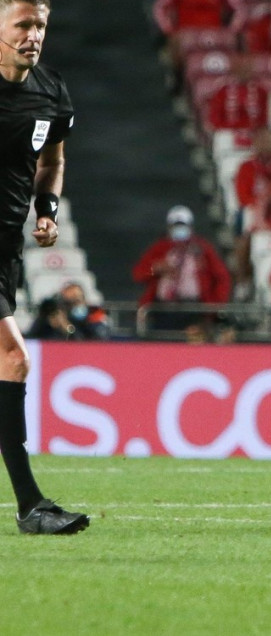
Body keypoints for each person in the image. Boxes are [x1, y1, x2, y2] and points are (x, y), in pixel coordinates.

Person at [0, 0, 88, 533]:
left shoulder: (51, 92)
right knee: (13, 358)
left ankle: (30, 506)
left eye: (40, 26)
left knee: (10, 362)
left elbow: (52, 161)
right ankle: (31, 506)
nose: (33, 34)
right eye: (23, 24)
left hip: (6, 248)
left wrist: (47, 209)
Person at [133, 206, 232, 330]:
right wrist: (157, 268)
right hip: (164, 309)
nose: (179, 230)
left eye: (183, 226)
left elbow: (222, 276)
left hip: (194, 308)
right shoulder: (160, 248)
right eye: (176, 226)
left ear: (191, 227)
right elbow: (139, 273)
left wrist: (215, 305)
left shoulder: (203, 249)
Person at [26, 282, 108, 340]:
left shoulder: (94, 312)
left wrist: (67, 327)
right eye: (68, 302)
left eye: (77, 299)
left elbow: (98, 338)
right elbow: (33, 336)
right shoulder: (56, 314)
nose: (74, 304)